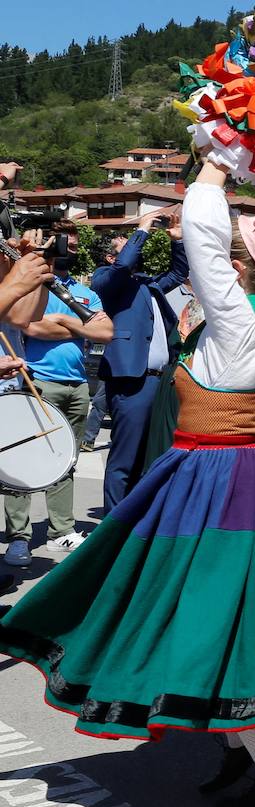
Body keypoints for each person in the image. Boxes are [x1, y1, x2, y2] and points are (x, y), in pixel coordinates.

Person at [0, 160, 255, 807]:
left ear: (237, 273)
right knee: (221, 621)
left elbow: (203, 238)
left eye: (221, 266)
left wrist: (216, 166)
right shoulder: (243, 324)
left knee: (216, 625)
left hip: (224, 486)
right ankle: (246, 759)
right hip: (228, 481)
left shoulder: (236, 323)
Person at [3, 221, 114, 567]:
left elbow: (105, 330)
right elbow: (29, 324)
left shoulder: (83, 292)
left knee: (64, 460)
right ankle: (18, 538)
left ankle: (61, 530)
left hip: (76, 383)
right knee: (18, 460)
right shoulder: (22, 276)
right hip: (39, 380)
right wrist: (77, 327)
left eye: (73, 246)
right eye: (62, 245)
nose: (67, 252)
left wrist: (64, 322)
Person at [92, 212, 189, 510]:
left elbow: (178, 272)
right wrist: (142, 229)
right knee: (125, 456)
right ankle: (113, 521)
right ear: (111, 257)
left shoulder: (147, 285)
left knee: (151, 453)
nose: (133, 246)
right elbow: (123, 265)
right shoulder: (107, 279)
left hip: (160, 380)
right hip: (132, 379)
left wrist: (177, 239)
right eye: (125, 243)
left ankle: (136, 517)